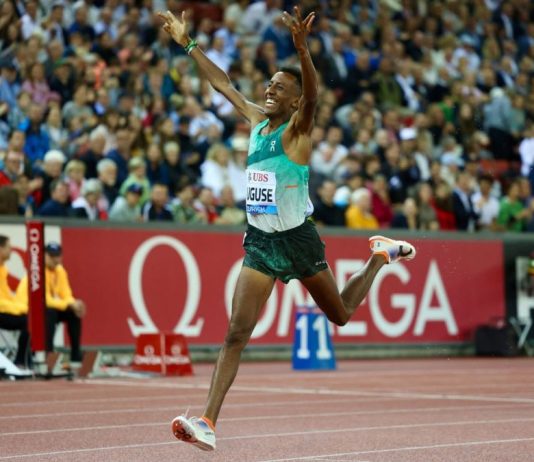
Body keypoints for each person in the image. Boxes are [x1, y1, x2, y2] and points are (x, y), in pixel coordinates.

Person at [158, 7, 416, 452]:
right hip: (260, 243)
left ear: (295, 101)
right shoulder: (258, 123)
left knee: (339, 314)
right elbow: (224, 84)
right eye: (270, 85)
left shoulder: (298, 129)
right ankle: (207, 422)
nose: (270, 89)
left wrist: (302, 50)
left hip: (299, 239)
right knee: (237, 332)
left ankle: (379, 257)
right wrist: (188, 43)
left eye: (280, 87)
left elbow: (314, 96)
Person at [17, 243, 86, 366]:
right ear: (44, 256)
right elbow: (44, 299)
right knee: (50, 312)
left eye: (58, 256)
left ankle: (76, 354)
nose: (55, 259)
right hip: (28, 307)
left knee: (73, 313)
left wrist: (73, 304)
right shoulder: (37, 272)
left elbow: (66, 293)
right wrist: (69, 303)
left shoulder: (60, 271)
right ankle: (47, 352)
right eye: (52, 256)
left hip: (45, 307)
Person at [0, 235, 31, 368]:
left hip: (5, 311)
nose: (11, 250)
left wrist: (20, 307)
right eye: (8, 247)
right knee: (30, 322)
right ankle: (21, 360)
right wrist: (21, 309)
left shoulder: (3, 270)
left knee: (32, 320)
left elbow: (7, 298)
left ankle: (23, 359)